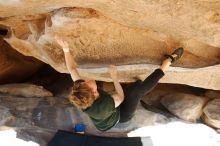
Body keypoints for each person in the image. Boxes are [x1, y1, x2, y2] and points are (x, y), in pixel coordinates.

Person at [55, 36, 184, 131]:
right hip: (120, 116)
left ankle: (135, 85)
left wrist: (66, 49)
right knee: (137, 92)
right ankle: (167, 63)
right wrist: (114, 76)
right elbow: (120, 97)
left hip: (106, 106)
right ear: (94, 94)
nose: (87, 80)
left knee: (133, 86)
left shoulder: (82, 92)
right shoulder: (103, 107)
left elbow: (72, 69)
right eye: (89, 84)